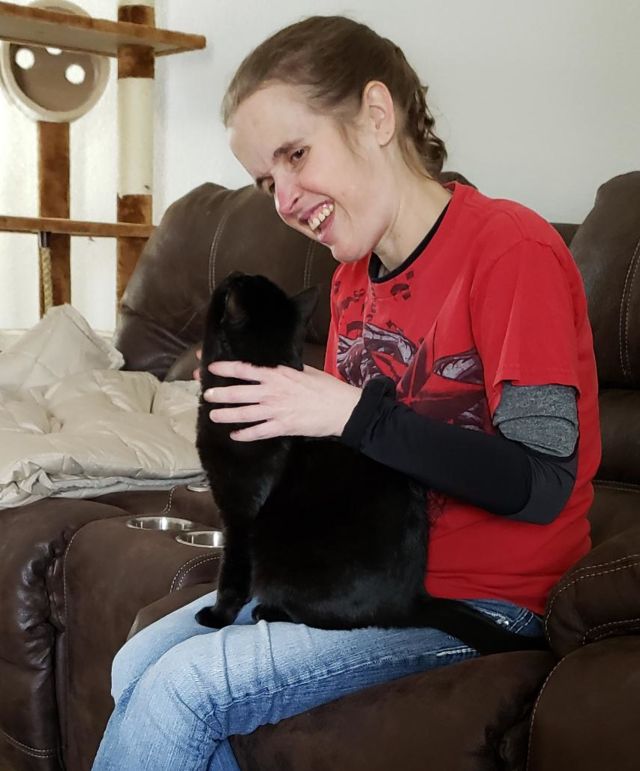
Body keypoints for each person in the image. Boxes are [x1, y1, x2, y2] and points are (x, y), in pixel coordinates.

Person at [92, 15, 600, 770]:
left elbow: (542, 484)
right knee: (136, 659)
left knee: (184, 688)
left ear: (376, 115)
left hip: (483, 603)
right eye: (267, 181)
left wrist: (351, 412)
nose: (284, 199)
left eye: (296, 155)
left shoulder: (511, 250)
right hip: (360, 580)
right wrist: (253, 409)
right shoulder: (351, 284)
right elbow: (348, 465)